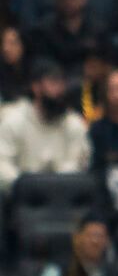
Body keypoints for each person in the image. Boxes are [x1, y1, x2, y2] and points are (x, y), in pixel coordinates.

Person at [0, 60, 90, 198]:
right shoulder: (14, 120)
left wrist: (51, 187)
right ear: (36, 87)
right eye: (53, 83)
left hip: (65, 198)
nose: (60, 90)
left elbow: (78, 164)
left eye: (62, 83)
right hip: (22, 200)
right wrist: (29, 187)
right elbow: (2, 164)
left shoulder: (74, 123)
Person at [37, 213, 118, 276]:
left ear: (107, 241)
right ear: (77, 238)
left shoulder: (114, 275)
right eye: (90, 236)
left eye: (100, 236)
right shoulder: (57, 271)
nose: (95, 241)